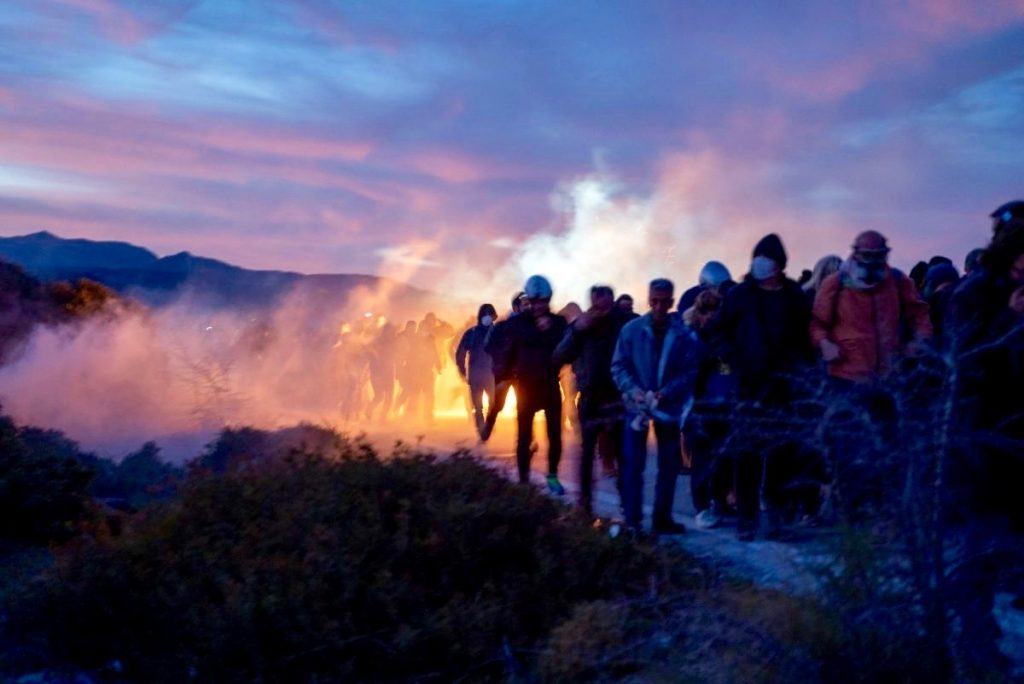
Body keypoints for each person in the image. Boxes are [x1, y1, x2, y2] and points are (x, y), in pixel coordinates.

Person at [712, 233, 816, 540]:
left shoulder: (795, 296)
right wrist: (733, 359)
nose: (759, 263)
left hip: (784, 388)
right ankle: (747, 518)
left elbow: (803, 339)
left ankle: (776, 516)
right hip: (747, 387)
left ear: (779, 264)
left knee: (782, 455)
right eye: (757, 257)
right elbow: (720, 331)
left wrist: (803, 374)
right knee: (746, 455)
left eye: (766, 258)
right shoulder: (739, 295)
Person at [612, 278, 704, 535]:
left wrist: (666, 393)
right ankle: (633, 520)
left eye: (665, 302)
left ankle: (661, 519)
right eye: (655, 301)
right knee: (634, 465)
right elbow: (618, 366)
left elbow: (689, 371)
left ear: (672, 301)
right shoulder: (631, 330)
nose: (660, 306)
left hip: (668, 407)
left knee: (669, 465)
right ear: (649, 300)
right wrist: (635, 391)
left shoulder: (684, 335)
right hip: (637, 408)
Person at [810, 231, 933, 383]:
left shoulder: (898, 281)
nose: (873, 261)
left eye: (879, 256)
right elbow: (817, 322)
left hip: (889, 374)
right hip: (845, 376)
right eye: (867, 255)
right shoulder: (836, 282)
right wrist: (825, 344)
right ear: (856, 254)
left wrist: (920, 341)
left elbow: (919, 313)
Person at [553, 285, 631, 516]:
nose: (602, 308)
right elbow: (559, 356)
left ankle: (628, 506)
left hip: (618, 399)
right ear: (592, 302)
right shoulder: (582, 326)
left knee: (622, 456)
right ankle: (584, 505)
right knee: (587, 455)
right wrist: (577, 330)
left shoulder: (624, 324)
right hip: (590, 400)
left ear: (612, 301)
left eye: (606, 303)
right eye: (597, 303)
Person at [490, 275, 568, 494]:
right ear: (529, 301)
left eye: (543, 301)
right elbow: (506, 352)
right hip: (525, 387)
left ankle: (552, 475)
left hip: (551, 385)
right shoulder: (515, 324)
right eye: (535, 302)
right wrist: (502, 378)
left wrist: (551, 331)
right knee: (524, 436)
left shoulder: (558, 323)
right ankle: (524, 480)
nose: (540, 306)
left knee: (555, 434)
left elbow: (567, 350)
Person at [684, 288, 735, 529]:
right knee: (702, 461)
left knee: (724, 459)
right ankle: (702, 507)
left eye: (716, 311)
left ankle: (720, 500)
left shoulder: (726, 339)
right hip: (699, 409)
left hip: (724, 407)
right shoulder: (691, 340)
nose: (711, 317)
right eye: (707, 311)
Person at [480, 292, 528, 441]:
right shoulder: (502, 326)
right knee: (498, 405)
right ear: (515, 307)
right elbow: (488, 345)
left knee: (525, 406)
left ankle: (525, 440)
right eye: (525, 304)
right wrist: (501, 360)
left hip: (523, 374)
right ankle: (486, 431)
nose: (529, 307)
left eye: (529, 304)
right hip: (504, 374)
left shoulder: (531, 326)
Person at [455, 304, 497, 438]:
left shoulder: (497, 332)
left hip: (492, 376)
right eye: (485, 315)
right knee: (478, 406)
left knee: (494, 404)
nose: (487, 318)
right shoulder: (471, 333)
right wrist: (462, 370)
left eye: (490, 315)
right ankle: (482, 430)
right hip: (477, 376)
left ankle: (487, 426)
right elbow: (460, 353)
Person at [365, 322, 397, 422]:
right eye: (389, 331)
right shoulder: (376, 341)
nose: (391, 333)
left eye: (392, 331)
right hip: (377, 372)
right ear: (384, 331)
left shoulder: (394, 341)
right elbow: (368, 351)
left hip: (389, 371)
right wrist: (374, 354)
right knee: (379, 396)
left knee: (389, 396)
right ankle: (369, 409)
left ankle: (383, 417)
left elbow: (398, 353)